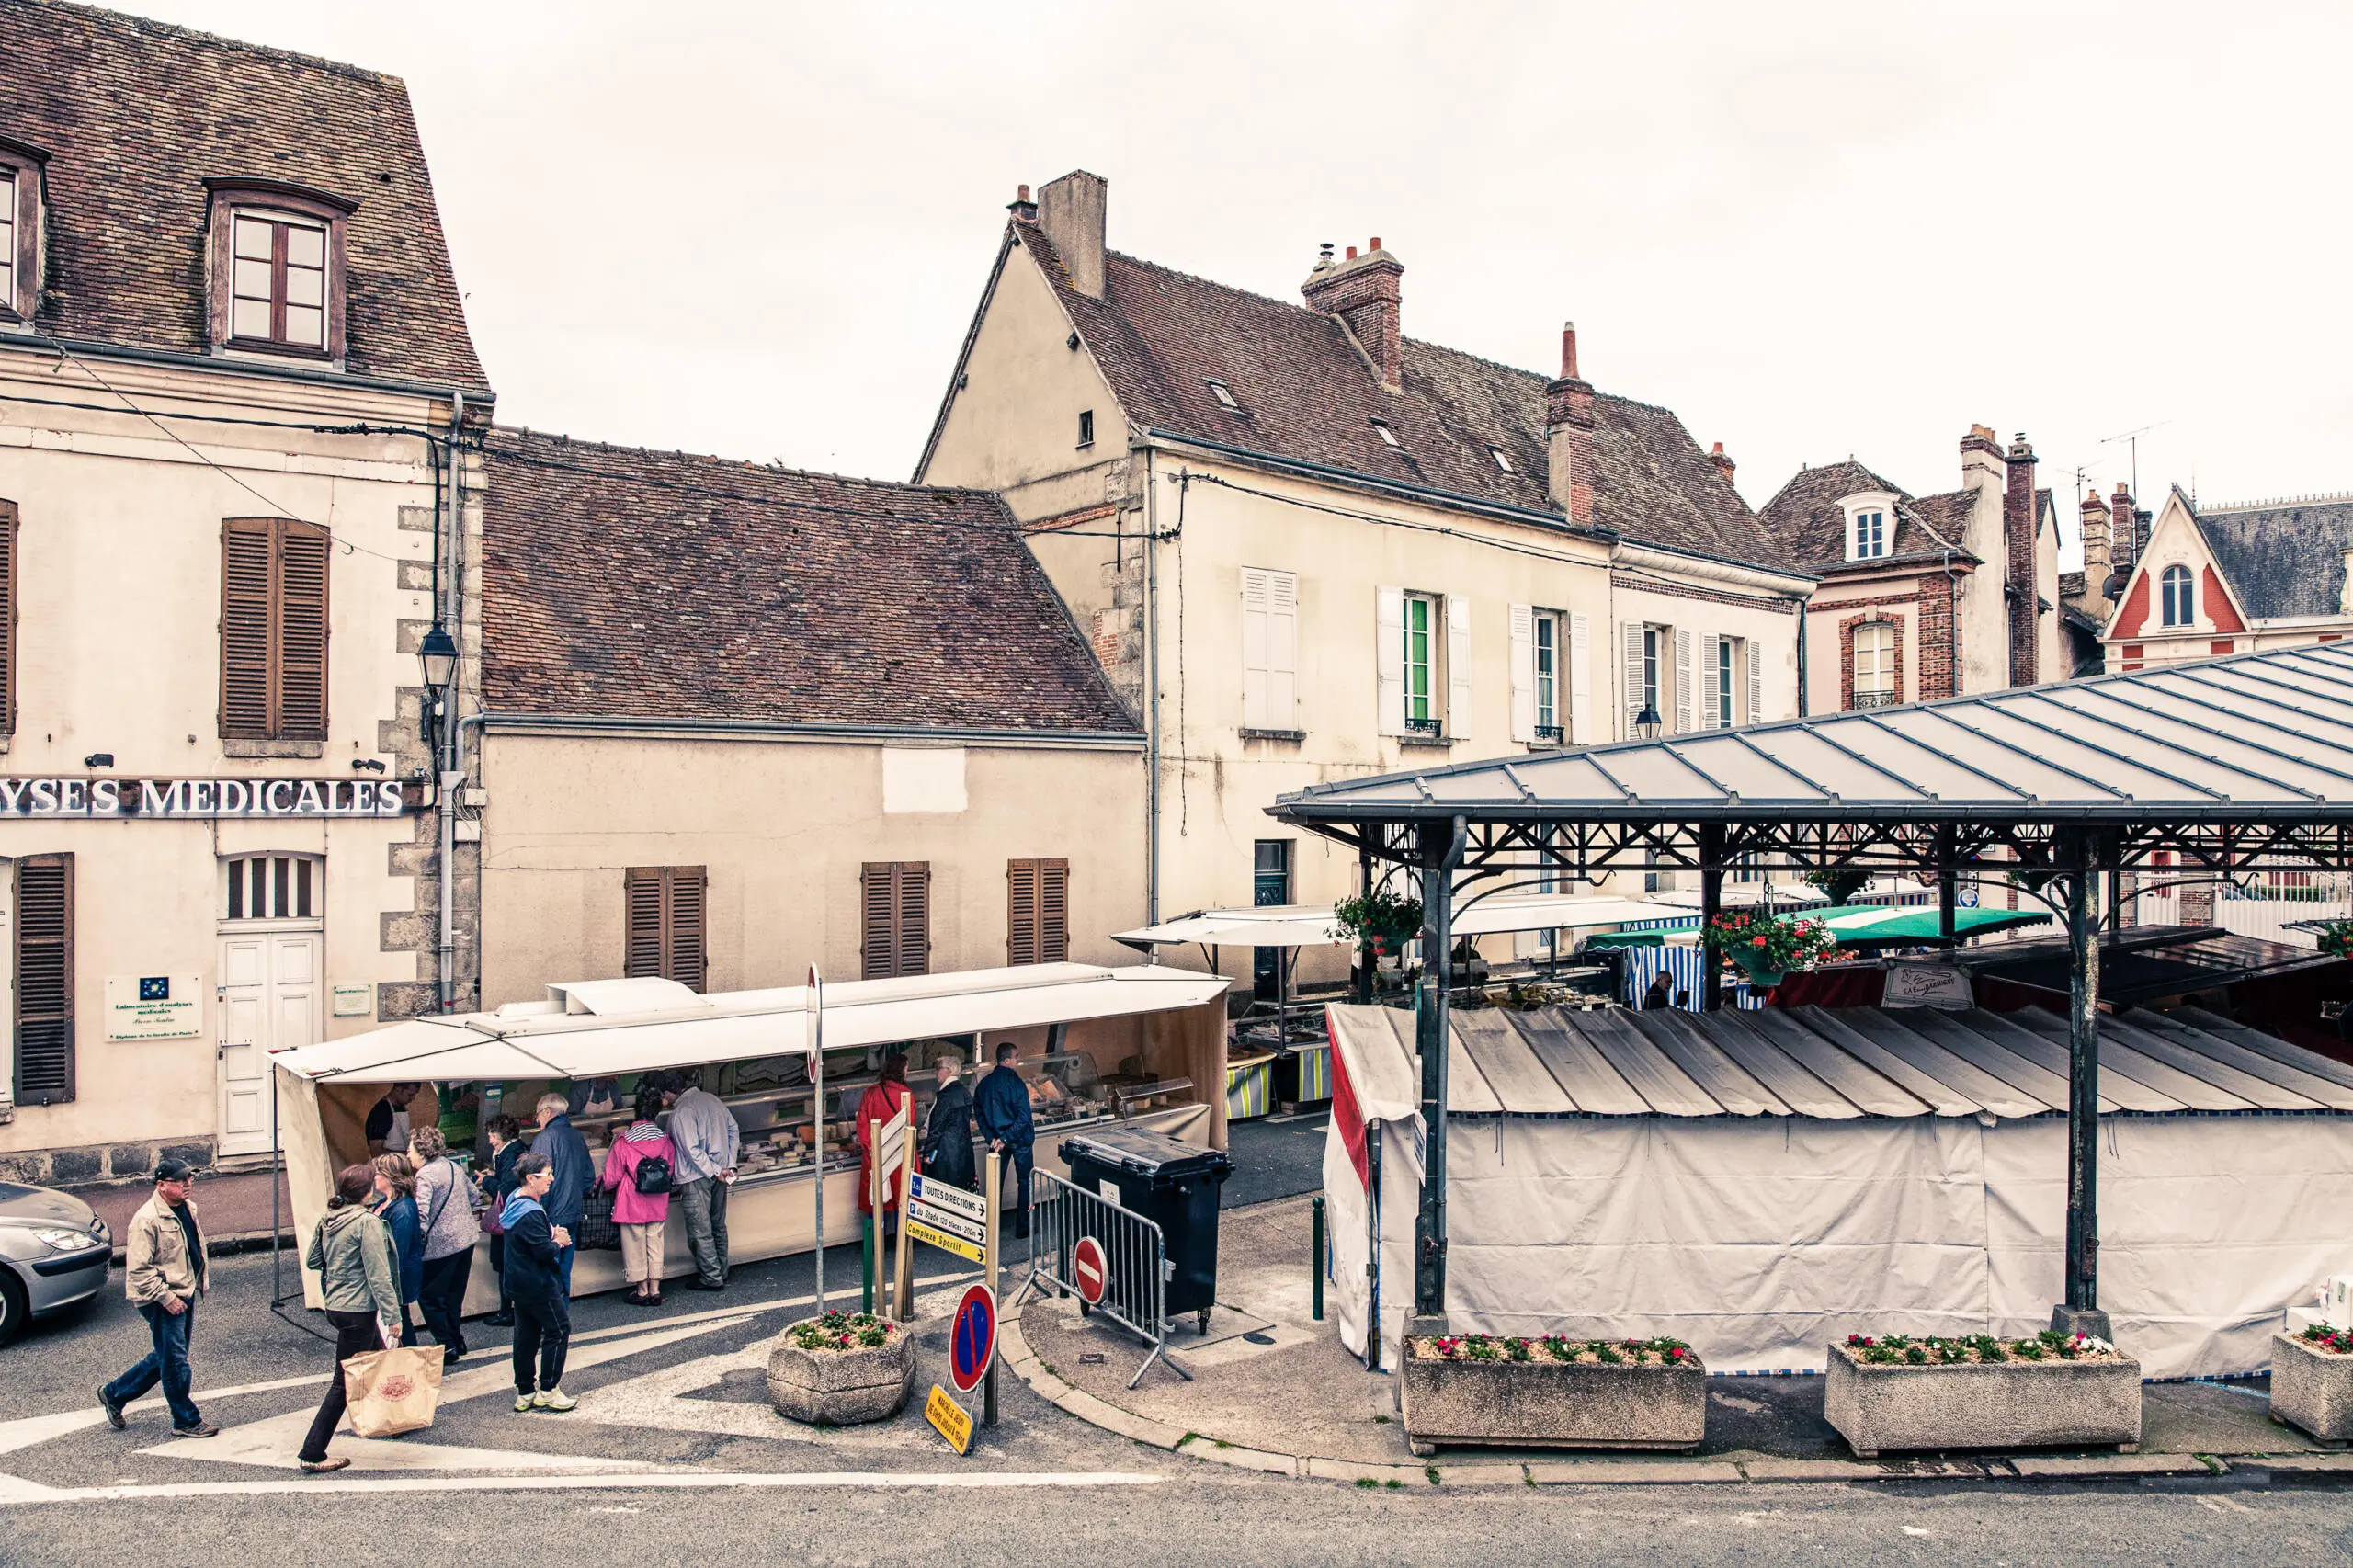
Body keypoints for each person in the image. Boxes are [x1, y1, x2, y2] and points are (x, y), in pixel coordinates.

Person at [296, 1165, 404, 1474]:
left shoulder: (329, 1218)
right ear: (367, 1192)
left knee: (381, 1359)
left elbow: (314, 1260)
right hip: (358, 1310)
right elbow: (379, 1275)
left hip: (336, 1306)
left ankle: (392, 1421)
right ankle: (312, 1451)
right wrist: (393, 1316)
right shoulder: (367, 1223)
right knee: (342, 1384)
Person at [97, 1160, 214, 1437]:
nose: (187, 1184)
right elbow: (138, 1270)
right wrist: (166, 1298)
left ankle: (114, 1394)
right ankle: (185, 1421)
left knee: (169, 1355)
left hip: (183, 1291)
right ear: (161, 1185)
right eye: (180, 1180)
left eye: (189, 1177)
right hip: (161, 1298)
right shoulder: (146, 1220)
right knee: (175, 1362)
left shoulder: (187, 1207)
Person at [502, 1152, 576, 1414]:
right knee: (559, 1329)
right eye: (547, 1174)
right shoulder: (532, 1212)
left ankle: (524, 1392)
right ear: (531, 1178)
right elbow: (542, 1252)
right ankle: (548, 1390)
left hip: (517, 1281)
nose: (552, 1179)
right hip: (538, 1282)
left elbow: (528, 1241)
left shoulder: (514, 1200)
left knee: (526, 1336)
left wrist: (550, 1235)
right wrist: (559, 1241)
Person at [409, 1126, 482, 1361]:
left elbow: (421, 1214)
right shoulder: (453, 1166)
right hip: (465, 1238)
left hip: (441, 1246)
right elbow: (474, 1195)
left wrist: (416, 1242)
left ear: (422, 1151)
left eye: (410, 1149)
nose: (408, 1154)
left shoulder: (425, 1175)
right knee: (453, 1295)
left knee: (429, 1297)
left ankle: (447, 1345)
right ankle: (457, 1340)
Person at [598, 1085, 676, 1306]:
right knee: (655, 1241)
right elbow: (669, 1169)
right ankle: (655, 1289)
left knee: (634, 1243)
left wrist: (602, 1184)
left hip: (631, 1200)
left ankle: (641, 1290)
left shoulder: (624, 1141)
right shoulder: (664, 1139)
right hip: (657, 1200)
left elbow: (612, 1177)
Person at [663, 1070, 738, 1292]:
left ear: (670, 1092)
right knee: (717, 1225)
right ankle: (721, 1271)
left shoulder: (681, 1111)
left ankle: (711, 1277)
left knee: (700, 1230)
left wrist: (715, 1170)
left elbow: (691, 1150)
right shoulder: (712, 1099)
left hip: (696, 1176)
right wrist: (729, 1165)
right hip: (721, 1173)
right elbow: (734, 1129)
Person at [530, 1091, 592, 1294]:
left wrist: (537, 1213)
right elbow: (589, 1178)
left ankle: (547, 1323)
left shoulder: (545, 1138)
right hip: (573, 1213)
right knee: (564, 1272)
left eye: (538, 1114)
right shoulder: (578, 1136)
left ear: (547, 1112)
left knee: (547, 1273)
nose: (537, 1119)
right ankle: (561, 1321)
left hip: (551, 1215)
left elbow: (539, 1183)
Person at [973, 1041, 1035, 1238]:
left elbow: (978, 1111)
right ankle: (1024, 1228)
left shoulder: (984, 1084)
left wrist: (992, 1137)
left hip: (996, 1141)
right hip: (1019, 1140)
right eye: (1017, 1056)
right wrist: (1007, 1137)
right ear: (1007, 1060)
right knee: (1025, 1182)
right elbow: (1024, 1117)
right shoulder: (1017, 1085)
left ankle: (991, 1229)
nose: (1019, 1059)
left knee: (994, 1184)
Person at [857, 1052, 918, 1245]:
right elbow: (911, 1125)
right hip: (899, 1154)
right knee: (902, 1198)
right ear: (901, 1070)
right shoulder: (906, 1094)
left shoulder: (871, 1092)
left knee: (875, 1199)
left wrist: (871, 1148)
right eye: (907, 1067)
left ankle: (874, 1244)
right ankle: (904, 1242)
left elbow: (862, 1123)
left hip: (875, 1154)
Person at [371, 1153, 424, 1346]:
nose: (375, 1176)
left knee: (400, 1321)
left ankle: (410, 1362)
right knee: (398, 1321)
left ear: (391, 1177)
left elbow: (398, 1254)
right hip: (388, 1274)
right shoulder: (385, 1202)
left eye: (379, 1172)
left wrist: (388, 1287)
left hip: (397, 1278)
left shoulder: (403, 1210)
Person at [480, 1114, 525, 1325]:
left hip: (508, 1218)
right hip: (513, 1216)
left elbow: (505, 1189)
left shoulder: (509, 1154)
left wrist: (485, 1180)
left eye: (493, 1135)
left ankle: (506, 1312)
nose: (490, 1140)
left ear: (505, 1135)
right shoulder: (512, 1151)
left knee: (505, 1264)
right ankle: (509, 1310)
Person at [923, 1054, 977, 1192]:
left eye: (939, 1068)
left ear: (950, 1070)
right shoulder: (964, 1091)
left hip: (945, 1153)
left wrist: (928, 1153)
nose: (937, 1072)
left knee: (943, 1194)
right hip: (963, 1151)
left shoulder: (946, 1095)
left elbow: (937, 1127)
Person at [365, 1083, 423, 1156]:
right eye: (410, 1095)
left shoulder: (402, 1108)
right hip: (385, 1166)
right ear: (398, 1090)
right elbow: (376, 1151)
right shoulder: (381, 1111)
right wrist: (407, 1154)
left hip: (402, 1163)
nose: (413, 1098)